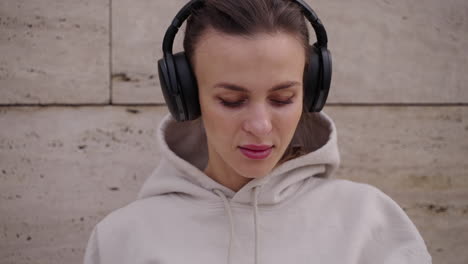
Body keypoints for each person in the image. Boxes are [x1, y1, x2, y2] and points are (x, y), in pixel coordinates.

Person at [83, 0, 432, 263]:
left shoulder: (370, 223)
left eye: (282, 98)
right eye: (232, 101)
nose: (260, 126)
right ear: (188, 97)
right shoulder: (121, 239)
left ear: (309, 93)